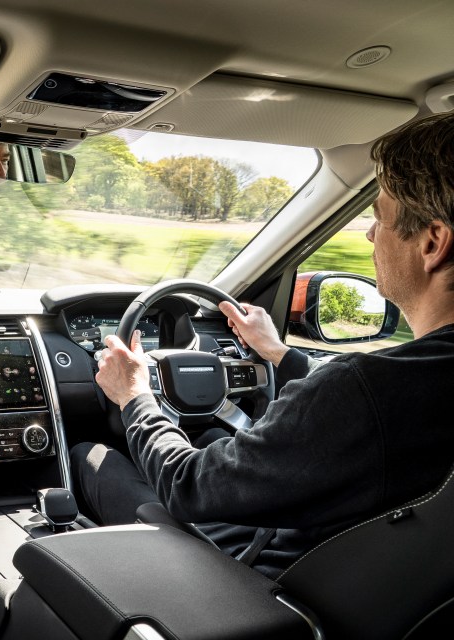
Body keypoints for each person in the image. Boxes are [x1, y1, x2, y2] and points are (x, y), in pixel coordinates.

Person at [71, 111, 454, 579]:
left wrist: (134, 395)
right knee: (213, 434)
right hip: (377, 588)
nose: (371, 234)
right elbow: (365, 412)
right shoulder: (403, 387)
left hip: (271, 592)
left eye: (379, 216)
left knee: (91, 456)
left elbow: (186, 486)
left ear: (433, 242)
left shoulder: (361, 390)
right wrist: (278, 354)